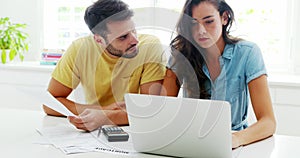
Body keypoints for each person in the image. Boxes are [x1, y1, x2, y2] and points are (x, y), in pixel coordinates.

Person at [160, 0, 276, 149]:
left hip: (234, 144)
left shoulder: (248, 53)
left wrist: (236, 139)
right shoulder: (181, 53)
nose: (201, 30)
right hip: (191, 142)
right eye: (194, 24)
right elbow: (163, 112)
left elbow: (268, 122)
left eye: (208, 21)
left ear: (224, 18)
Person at [43, 0, 166, 131]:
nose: (135, 40)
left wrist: (105, 116)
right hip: (93, 130)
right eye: (123, 37)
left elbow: (150, 110)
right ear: (98, 39)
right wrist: (104, 110)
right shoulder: (79, 49)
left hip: (136, 130)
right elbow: (50, 104)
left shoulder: (150, 47)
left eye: (134, 30)